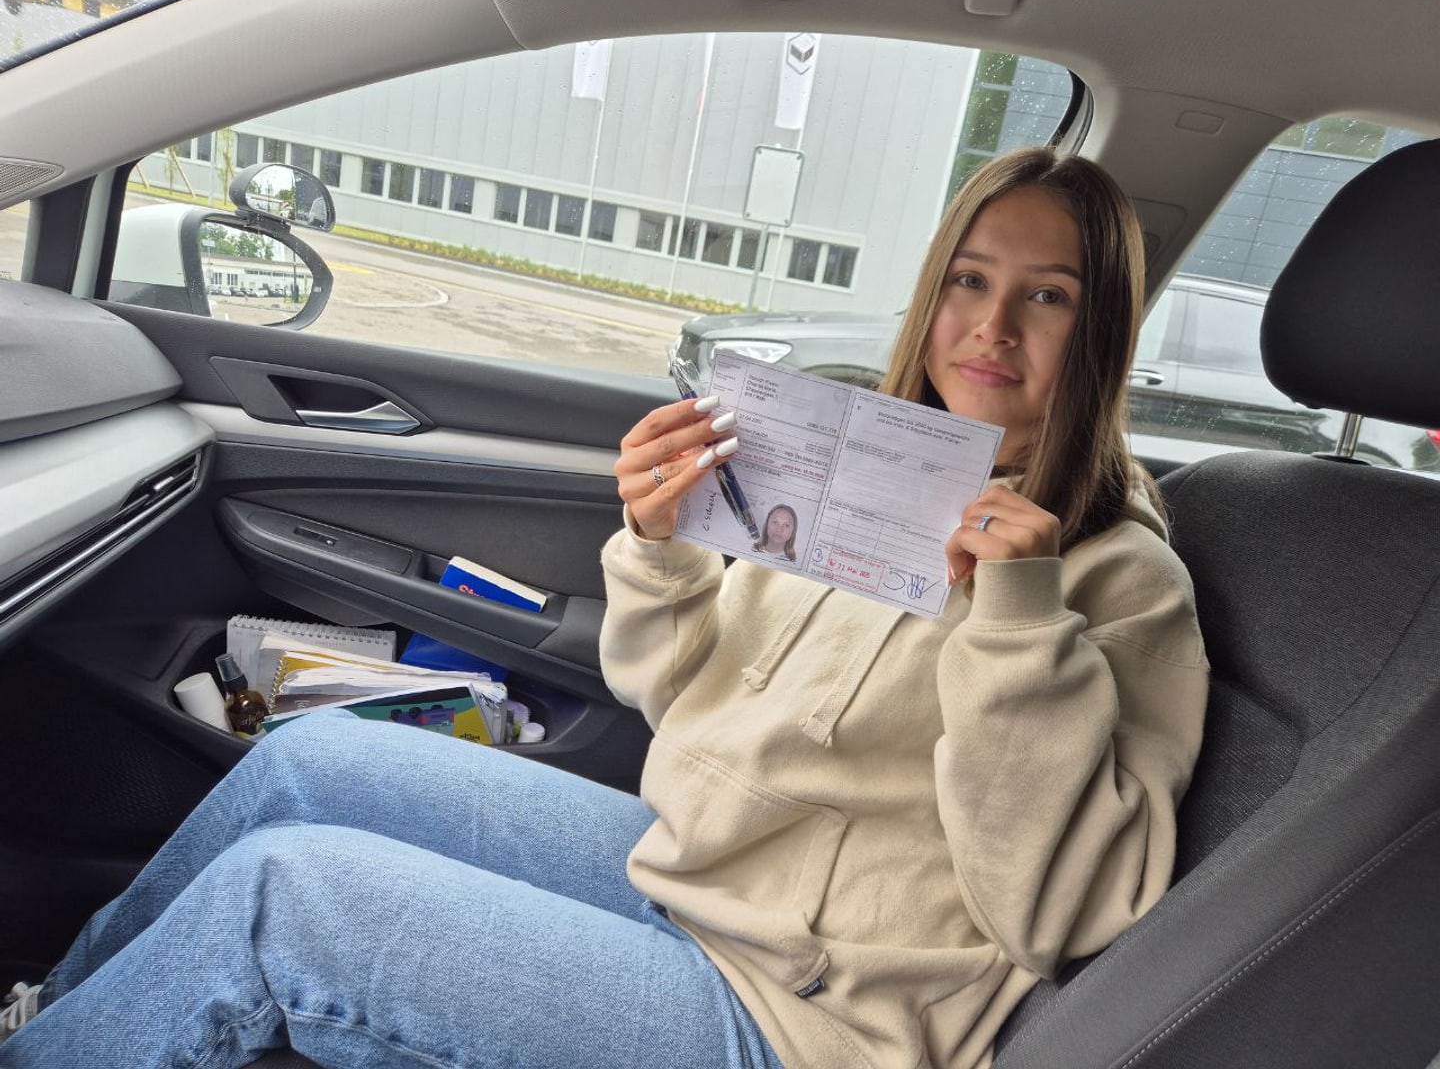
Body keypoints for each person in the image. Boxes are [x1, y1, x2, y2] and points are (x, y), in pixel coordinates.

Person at [0, 146, 1207, 1069]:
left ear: (1100, 328)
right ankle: (56, 1013)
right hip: (702, 876)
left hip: (809, 1016)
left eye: (1049, 298)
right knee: (306, 761)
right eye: (969, 280)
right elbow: (671, 694)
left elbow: (1059, 915)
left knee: (286, 899)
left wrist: (1015, 619)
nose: (991, 327)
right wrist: (661, 542)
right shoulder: (869, 473)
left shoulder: (1120, 581)